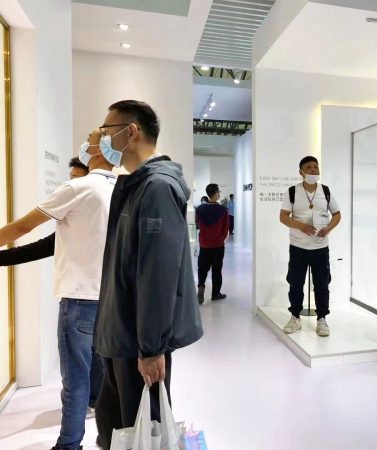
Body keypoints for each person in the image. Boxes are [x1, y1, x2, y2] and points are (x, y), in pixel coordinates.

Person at [93, 100, 203, 449]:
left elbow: (157, 276)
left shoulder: (156, 188)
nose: (102, 138)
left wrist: (152, 349)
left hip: (137, 342)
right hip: (121, 335)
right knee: (117, 428)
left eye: (107, 130)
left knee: (144, 433)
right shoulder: (135, 185)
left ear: (131, 132)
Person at [0, 131, 116, 450]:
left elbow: (22, 227)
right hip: (110, 300)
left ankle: (68, 445)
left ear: (97, 150)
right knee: (102, 371)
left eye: (91, 138)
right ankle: (102, 434)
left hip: (80, 300)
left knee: (75, 381)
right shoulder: (119, 189)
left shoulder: (78, 189)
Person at [279, 156, 341, 337]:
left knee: (322, 284)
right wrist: (301, 226)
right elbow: (283, 217)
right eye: (309, 167)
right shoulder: (292, 191)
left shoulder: (325, 191)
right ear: (301, 172)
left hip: (320, 248)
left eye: (316, 166)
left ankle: (322, 318)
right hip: (298, 247)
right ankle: (295, 317)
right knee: (295, 283)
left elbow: (337, 214)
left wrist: (328, 228)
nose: (313, 170)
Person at [195, 183, 229, 304]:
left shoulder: (199, 209)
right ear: (216, 194)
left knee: (202, 268)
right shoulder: (223, 210)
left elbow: (197, 223)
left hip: (204, 245)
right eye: (218, 192)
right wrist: (220, 238)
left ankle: (201, 287)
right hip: (218, 245)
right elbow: (226, 228)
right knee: (216, 270)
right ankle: (215, 293)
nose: (219, 194)